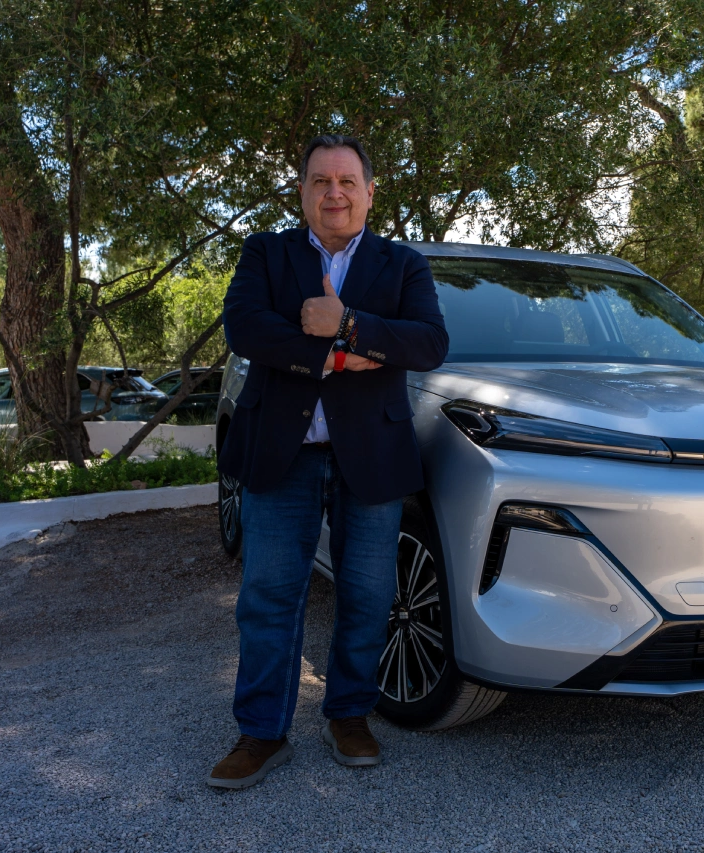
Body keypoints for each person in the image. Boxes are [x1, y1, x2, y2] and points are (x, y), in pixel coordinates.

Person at [207, 135, 448, 789]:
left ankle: (349, 714)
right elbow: (245, 327)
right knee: (267, 595)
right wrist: (341, 356)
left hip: (370, 453)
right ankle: (261, 731)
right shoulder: (267, 252)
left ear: (370, 191)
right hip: (280, 453)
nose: (334, 193)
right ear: (304, 191)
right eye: (320, 181)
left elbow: (428, 342)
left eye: (347, 181)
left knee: (369, 595)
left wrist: (346, 323)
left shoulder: (403, 265)